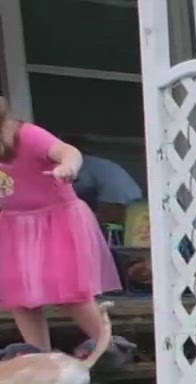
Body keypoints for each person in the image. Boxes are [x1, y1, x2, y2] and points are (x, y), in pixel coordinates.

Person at [0, 99, 119, 355]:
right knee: (20, 296)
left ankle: (106, 347)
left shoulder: (26, 134)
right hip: (13, 223)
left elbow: (68, 151)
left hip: (56, 219)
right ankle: (37, 354)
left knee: (69, 289)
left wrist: (68, 167)